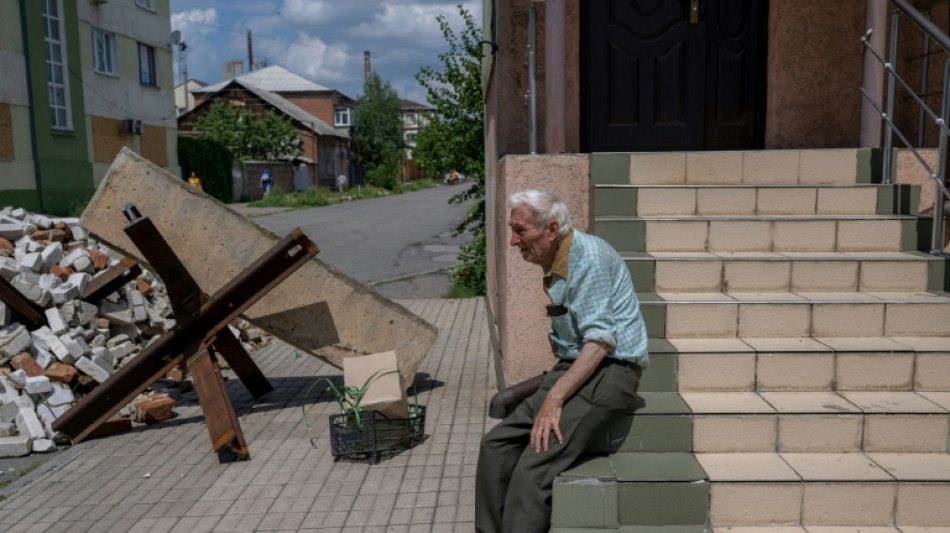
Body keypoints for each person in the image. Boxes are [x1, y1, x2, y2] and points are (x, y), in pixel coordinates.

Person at [475, 189, 649, 533]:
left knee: (532, 469)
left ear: (551, 230)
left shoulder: (589, 258)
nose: (513, 241)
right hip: (577, 367)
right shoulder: (557, 259)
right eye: (512, 230)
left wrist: (555, 398)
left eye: (520, 231)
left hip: (612, 370)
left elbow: (600, 341)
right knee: (495, 446)